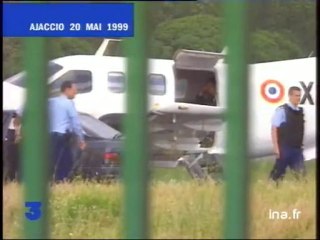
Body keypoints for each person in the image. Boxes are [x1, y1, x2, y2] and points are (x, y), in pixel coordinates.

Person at [49, 80, 86, 182]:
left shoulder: (51, 102)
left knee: (52, 161)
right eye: (74, 91)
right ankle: (59, 181)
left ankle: (53, 181)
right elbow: (75, 123)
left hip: (49, 136)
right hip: (61, 136)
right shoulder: (68, 103)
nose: (76, 93)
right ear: (67, 89)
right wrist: (81, 139)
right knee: (65, 162)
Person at [269, 86, 306, 182]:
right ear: (290, 96)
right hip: (284, 149)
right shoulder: (282, 111)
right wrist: (276, 148)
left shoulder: (300, 112)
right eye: (296, 95)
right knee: (277, 175)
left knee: (301, 176)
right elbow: (274, 129)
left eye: (299, 96)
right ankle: (270, 189)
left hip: (297, 150)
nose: (298, 98)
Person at [195, 79, 217, 147]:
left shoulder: (216, 100)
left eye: (210, 87)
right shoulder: (205, 99)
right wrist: (202, 93)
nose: (207, 89)